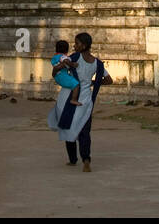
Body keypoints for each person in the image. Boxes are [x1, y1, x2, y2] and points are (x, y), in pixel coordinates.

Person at [46, 32, 115, 171]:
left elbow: (57, 72)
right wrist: (92, 82)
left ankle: (72, 160)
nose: (74, 45)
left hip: (68, 97)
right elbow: (109, 80)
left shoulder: (74, 58)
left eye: (76, 43)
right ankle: (86, 159)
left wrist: (56, 70)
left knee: (68, 127)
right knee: (84, 129)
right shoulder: (97, 64)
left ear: (83, 45)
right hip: (86, 99)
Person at [52, 40, 81, 106]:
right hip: (62, 76)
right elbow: (66, 61)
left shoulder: (55, 57)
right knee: (76, 85)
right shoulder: (63, 56)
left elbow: (55, 68)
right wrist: (72, 64)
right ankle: (73, 99)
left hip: (57, 76)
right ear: (66, 50)